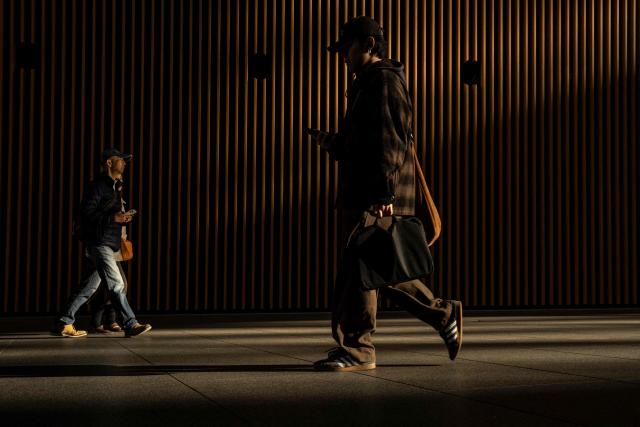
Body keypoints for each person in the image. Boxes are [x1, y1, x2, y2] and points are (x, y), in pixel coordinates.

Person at [308, 16, 462, 371]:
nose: (343, 55)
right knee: (373, 266)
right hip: (368, 190)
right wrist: (332, 142)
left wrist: (383, 192)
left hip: (374, 193)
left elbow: (390, 140)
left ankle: (361, 348)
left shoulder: (384, 81)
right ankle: (438, 316)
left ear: (369, 46)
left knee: (366, 267)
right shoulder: (367, 82)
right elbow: (364, 143)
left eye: (347, 47)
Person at [54, 148, 151, 338]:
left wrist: (121, 218)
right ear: (109, 163)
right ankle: (130, 323)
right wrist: (113, 217)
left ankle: (64, 322)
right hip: (100, 243)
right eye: (120, 160)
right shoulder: (99, 186)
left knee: (88, 287)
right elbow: (86, 213)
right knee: (116, 284)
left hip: (106, 243)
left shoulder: (114, 187)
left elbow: (107, 215)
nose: (124, 163)